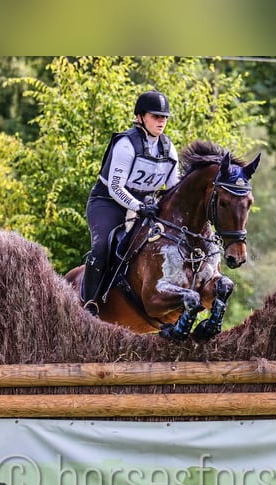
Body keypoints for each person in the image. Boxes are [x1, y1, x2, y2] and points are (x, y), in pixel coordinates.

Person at [81, 89, 181, 315]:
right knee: (103, 246)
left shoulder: (169, 148)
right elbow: (116, 187)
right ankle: (89, 303)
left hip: (145, 207)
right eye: (156, 116)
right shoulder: (126, 144)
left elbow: (174, 188)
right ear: (140, 117)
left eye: (164, 117)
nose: (161, 121)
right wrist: (139, 207)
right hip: (108, 203)